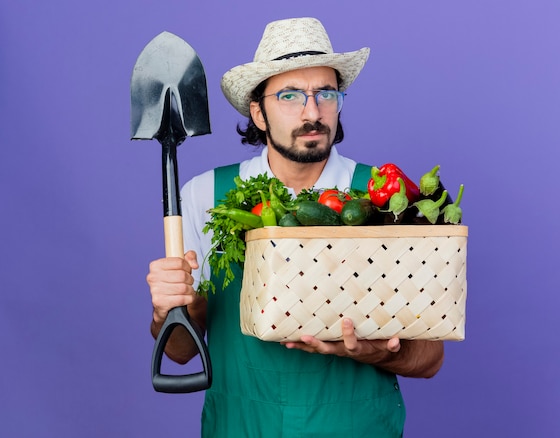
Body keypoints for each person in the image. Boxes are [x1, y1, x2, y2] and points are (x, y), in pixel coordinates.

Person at [146, 17, 444, 437]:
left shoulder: (385, 197)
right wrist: (169, 307)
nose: (312, 111)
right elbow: (179, 353)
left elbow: (429, 359)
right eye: (289, 95)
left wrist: (375, 353)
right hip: (243, 427)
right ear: (258, 113)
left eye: (326, 93)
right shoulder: (204, 197)